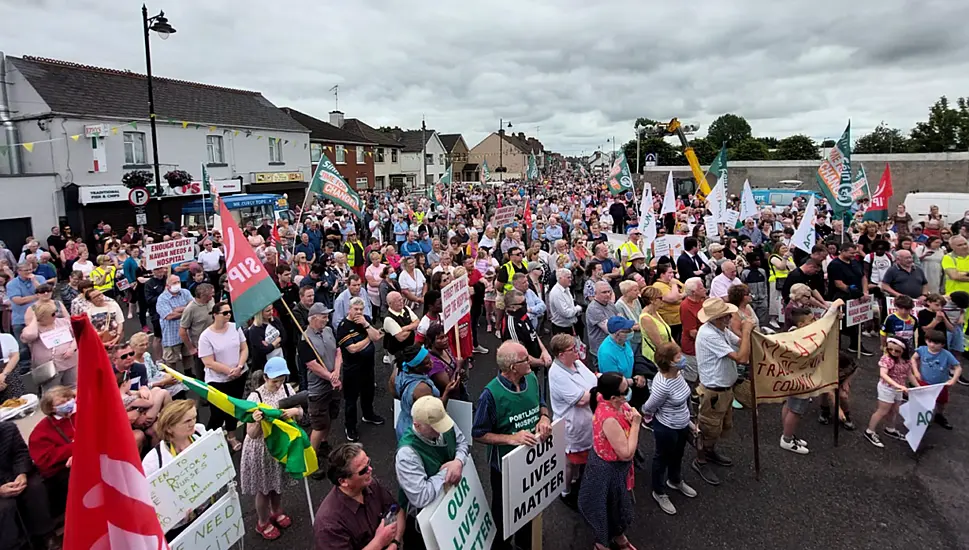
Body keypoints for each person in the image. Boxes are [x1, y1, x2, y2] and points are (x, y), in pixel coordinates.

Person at [472, 341, 552, 550]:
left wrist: (544, 418)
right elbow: (478, 433)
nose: (531, 361)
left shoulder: (532, 379)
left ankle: (525, 544)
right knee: (504, 513)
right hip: (504, 467)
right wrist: (511, 439)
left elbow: (541, 403)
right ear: (512, 367)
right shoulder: (490, 395)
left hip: (533, 460)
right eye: (525, 359)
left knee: (530, 506)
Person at [394, 395, 469, 549]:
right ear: (417, 425)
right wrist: (447, 472)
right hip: (423, 524)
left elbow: (462, 442)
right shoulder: (407, 454)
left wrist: (458, 461)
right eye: (434, 426)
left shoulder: (442, 420)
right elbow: (421, 497)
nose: (441, 429)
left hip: (450, 510)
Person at [693, 297, 754, 486]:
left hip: (724, 389)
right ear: (719, 318)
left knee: (719, 427)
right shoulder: (709, 334)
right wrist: (747, 330)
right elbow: (741, 357)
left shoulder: (720, 329)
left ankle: (709, 452)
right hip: (714, 391)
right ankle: (700, 460)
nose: (731, 317)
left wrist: (746, 334)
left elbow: (739, 342)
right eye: (727, 315)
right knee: (707, 428)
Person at [578, 372, 639, 550]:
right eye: (625, 390)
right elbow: (626, 453)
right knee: (605, 510)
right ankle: (601, 545)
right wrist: (635, 425)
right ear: (614, 397)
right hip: (608, 471)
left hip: (609, 469)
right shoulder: (609, 419)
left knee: (615, 508)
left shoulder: (603, 397)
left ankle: (619, 538)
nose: (628, 392)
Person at [243, 358, 302, 540]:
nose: (278, 385)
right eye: (275, 381)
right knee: (264, 489)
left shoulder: (286, 389)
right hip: (261, 449)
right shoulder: (255, 398)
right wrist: (258, 421)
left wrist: (295, 412)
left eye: (282, 380)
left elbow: (300, 411)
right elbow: (251, 433)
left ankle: (276, 511)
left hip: (279, 446)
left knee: (277, 484)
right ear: (266, 377)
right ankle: (262, 522)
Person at [313, 443, 404, 550]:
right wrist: (379, 542)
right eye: (363, 470)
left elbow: (398, 512)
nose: (370, 469)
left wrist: (395, 543)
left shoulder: (371, 485)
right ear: (343, 481)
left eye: (368, 463)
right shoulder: (329, 524)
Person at [641, 342, 697, 515]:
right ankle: (659, 491)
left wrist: (690, 422)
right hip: (667, 427)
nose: (682, 359)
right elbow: (648, 407)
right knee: (662, 458)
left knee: (678, 454)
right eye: (678, 357)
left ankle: (675, 480)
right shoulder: (662, 385)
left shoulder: (678, 374)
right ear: (669, 362)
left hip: (682, 424)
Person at [141, 400, 206, 540]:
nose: (193, 423)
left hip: (207, 510)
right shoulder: (153, 460)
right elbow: (147, 498)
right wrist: (173, 512)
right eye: (187, 421)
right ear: (169, 428)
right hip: (177, 527)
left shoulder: (201, 437)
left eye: (194, 417)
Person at [548, 333, 597, 507]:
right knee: (569, 463)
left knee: (579, 463)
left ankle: (576, 482)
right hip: (572, 428)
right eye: (572, 349)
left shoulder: (576, 364)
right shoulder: (557, 374)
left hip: (586, 424)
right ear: (561, 354)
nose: (577, 350)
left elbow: (593, 379)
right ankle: (565, 491)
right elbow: (581, 399)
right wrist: (600, 391)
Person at [0, 421, 60, 550]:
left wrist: (22, 473)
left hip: (15, 476)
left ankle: (47, 536)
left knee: (35, 488)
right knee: (5, 507)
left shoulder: (8, 429)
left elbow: (21, 453)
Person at [198, 301, 248, 451]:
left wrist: (239, 367)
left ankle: (231, 436)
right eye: (224, 313)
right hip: (218, 380)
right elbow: (208, 362)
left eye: (229, 312)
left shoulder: (235, 327)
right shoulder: (206, 336)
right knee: (217, 414)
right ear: (215, 315)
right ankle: (209, 441)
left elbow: (244, 348)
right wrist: (229, 371)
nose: (228, 315)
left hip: (238, 376)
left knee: (233, 410)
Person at [337, 297, 385, 442]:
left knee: (368, 392)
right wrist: (368, 339)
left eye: (360, 309)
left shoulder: (366, 320)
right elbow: (353, 349)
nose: (358, 312)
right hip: (352, 369)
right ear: (349, 309)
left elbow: (377, 336)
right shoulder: (343, 326)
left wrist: (365, 325)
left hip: (368, 366)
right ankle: (350, 426)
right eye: (355, 309)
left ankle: (368, 414)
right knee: (351, 400)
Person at [28, 386, 75, 516]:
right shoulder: (41, 432)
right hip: (60, 472)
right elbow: (44, 461)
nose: (68, 403)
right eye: (62, 403)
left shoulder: (79, 414)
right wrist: (75, 449)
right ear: (51, 408)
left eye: (69, 399)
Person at [864, 337, 913, 448]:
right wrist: (899, 385)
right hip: (887, 388)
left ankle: (890, 428)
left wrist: (919, 387)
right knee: (882, 411)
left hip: (898, 388)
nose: (893, 352)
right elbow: (883, 374)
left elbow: (909, 374)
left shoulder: (906, 361)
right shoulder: (887, 359)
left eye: (897, 351)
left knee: (895, 410)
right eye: (890, 349)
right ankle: (870, 431)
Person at [20, 300, 78, 392]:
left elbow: (77, 335)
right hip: (49, 367)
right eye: (52, 314)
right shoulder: (34, 328)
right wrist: (34, 319)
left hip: (70, 361)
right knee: (52, 392)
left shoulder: (63, 322)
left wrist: (72, 349)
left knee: (73, 387)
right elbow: (29, 335)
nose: (54, 316)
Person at [911, 329, 962, 430]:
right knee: (924, 401)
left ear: (942, 344)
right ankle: (923, 420)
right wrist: (916, 371)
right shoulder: (922, 350)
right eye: (930, 341)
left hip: (940, 384)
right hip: (924, 382)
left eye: (936, 343)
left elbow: (958, 367)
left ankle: (939, 415)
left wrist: (953, 380)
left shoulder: (946, 354)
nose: (932, 345)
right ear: (926, 340)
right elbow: (913, 358)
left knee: (941, 402)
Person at [827, 243, 872, 356]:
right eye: (851, 253)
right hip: (841, 297)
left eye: (855, 253)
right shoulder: (835, 265)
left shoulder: (855, 262)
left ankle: (855, 345)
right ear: (842, 251)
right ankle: (837, 348)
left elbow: (863, 277)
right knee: (841, 324)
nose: (854, 255)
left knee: (857, 321)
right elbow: (839, 284)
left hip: (858, 297)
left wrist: (865, 292)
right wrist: (858, 294)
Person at [502, 289, 552, 387]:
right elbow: (520, 356)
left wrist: (544, 351)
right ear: (512, 307)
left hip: (533, 365)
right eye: (522, 303)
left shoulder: (522, 315)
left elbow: (533, 333)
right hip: (522, 373)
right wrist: (542, 362)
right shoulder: (511, 325)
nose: (526, 305)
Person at [7, 262, 45, 373]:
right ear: (18, 271)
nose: (29, 272)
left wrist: (34, 281)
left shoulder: (39, 278)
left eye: (30, 269)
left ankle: (43, 365)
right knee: (23, 347)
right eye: (26, 270)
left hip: (40, 317)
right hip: (20, 319)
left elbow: (45, 292)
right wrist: (37, 296)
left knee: (41, 343)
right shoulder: (12, 284)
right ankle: (26, 371)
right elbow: (18, 300)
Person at [156, 274, 193, 375]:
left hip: (186, 332)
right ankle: (172, 378)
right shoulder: (162, 299)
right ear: (167, 286)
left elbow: (193, 307)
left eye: (178, 282)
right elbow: (169, 316)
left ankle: (189, 373)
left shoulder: (185, 292)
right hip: (171, 334)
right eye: (174, 283)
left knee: (187, 354)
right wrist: (185, 309)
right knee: (171, 359)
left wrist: (177, 309)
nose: (177, 284)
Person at [586, 281, 620, 365]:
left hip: (613, 345)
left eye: (609, 292)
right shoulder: (593, 308)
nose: (608, 294)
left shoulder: (609, 304)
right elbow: (609, 329)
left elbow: (621, 318)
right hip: (601, 349)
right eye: (604, 292)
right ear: (595, 293)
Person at [639, 286, 672, 364]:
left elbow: (668, 335)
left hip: (666, 352)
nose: (662, 300)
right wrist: (672, 356)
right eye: (660, 298)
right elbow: (659, 344)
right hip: (657, 357)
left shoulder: (655, 312)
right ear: (652, 300)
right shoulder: (646, 318)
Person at [652, 264, 684, 343]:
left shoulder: (673, 281)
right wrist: (674, 286)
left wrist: (680, 295)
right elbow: (673, 298)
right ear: (662, 274)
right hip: (671, 320)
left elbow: (687, 289)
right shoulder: (658, 285)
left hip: (680, 317)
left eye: (672, 272)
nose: (672, 275)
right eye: (669, 273)